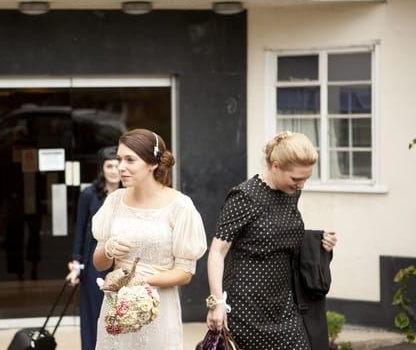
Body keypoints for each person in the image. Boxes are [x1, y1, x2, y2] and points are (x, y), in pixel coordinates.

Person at [205, 131, 338, 349]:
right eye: (296, 178)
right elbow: (217, 252)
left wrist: (319, 241)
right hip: (246, 308)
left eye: (306, 178)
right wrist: (217, 303)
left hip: (285, 304)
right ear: (275, 166)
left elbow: (279, 232)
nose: (302, 185)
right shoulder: (244, 196)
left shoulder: (291, 193)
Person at [92, 128, 207, 350]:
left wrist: (142, 281)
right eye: (119, 160)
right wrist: (108, 250)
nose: (121, 167)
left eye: (129, 160)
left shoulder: (180, 206)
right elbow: (99, 264)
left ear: (152, 163)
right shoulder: (114, 201)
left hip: (158, 310)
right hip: (116, 306)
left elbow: (184, 273)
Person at [66, 146, 120, 350]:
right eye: (109, 166)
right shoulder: (89, 194)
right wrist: (76, 261)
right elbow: (80, 228)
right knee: (92, 310)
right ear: (102, 168)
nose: (114, 170)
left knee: (119, 310)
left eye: (117, 165)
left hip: (121, 260)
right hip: (93, 258)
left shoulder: (129, 194)